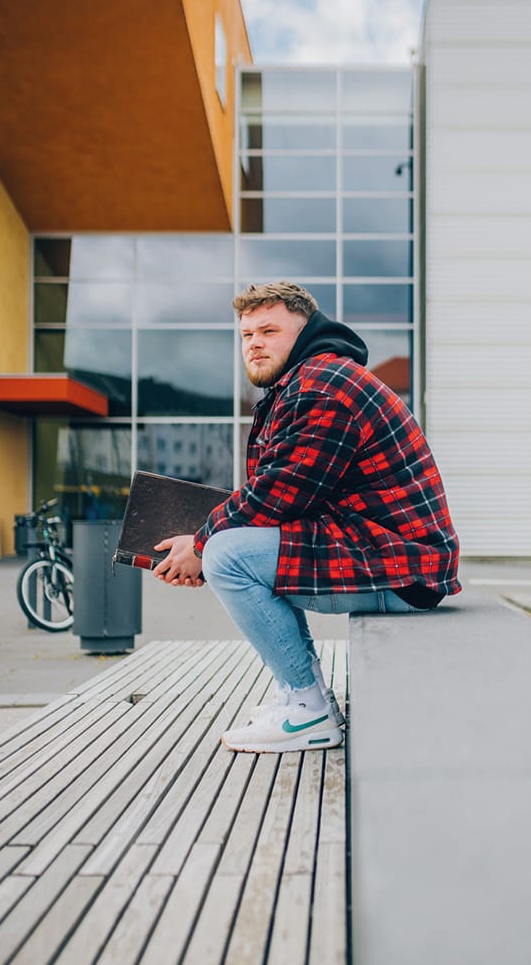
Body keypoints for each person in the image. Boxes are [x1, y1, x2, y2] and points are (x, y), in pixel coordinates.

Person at [152, 280, 460, 754]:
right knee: (230, 551)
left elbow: (279, 495)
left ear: (304, 331)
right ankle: (303, 694)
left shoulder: (322, 385)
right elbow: (281, 497)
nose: (254, 342)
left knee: (227, 556)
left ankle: (308, 709)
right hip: (386, 554)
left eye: (269, 330)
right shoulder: (305, 381)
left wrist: (201, 546)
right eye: (246, 334)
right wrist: (203, 545)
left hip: (402, 568)